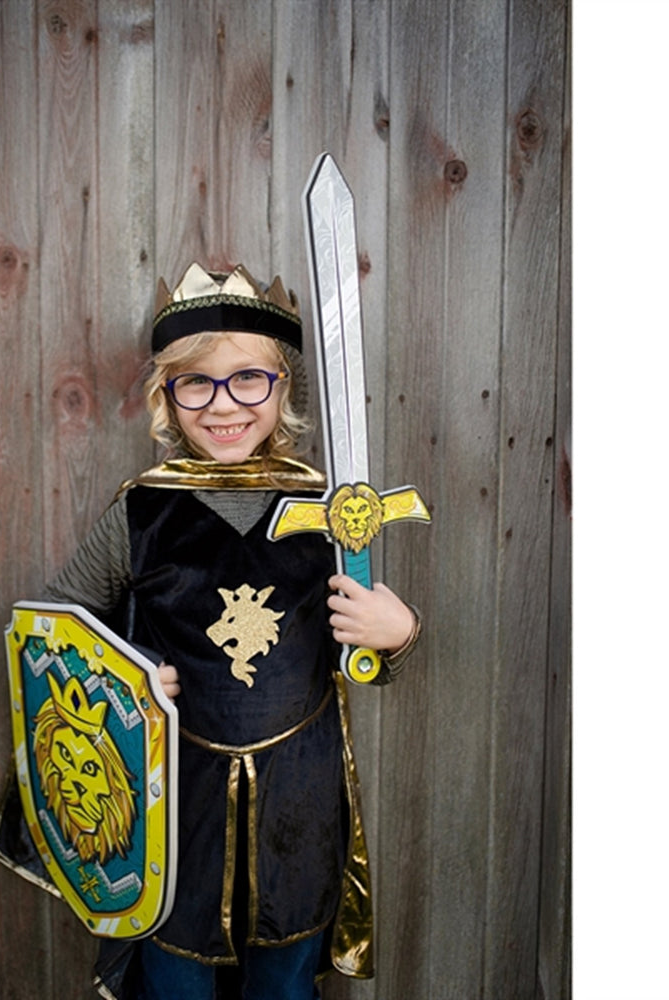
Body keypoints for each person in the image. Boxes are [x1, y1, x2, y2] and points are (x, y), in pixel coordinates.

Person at [44, 263, 422, 1000]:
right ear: (167, 394)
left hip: (297, 796)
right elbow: (61, 625)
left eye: (249, 379)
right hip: (177, 803)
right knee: (175, 981)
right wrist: (127, 671)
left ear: (283, 388)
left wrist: (398, 631)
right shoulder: (142, 512)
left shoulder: (329, 509)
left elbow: (364, 656)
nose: (223, 404)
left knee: (284, 981)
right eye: (196, 383)